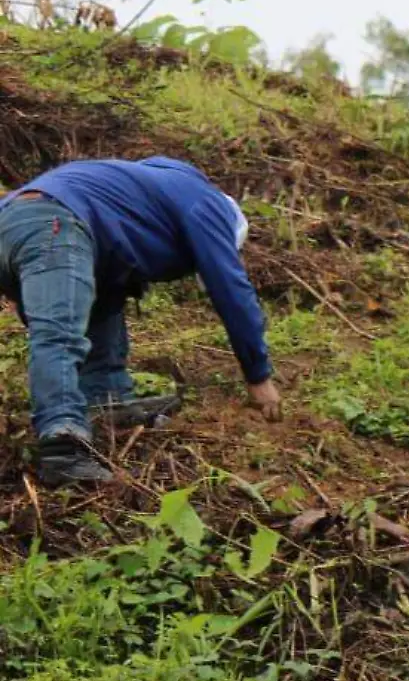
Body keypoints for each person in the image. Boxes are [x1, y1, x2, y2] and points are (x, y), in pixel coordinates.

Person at [0, 156, 282, 487]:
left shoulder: (145, 190)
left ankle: (106, 400)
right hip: (53, 225)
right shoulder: (207, 204)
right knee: (60, 336)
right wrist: (258, 374)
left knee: (103, 293)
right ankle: (62, 448)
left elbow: (107, 286)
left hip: (16, 220)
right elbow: (231, 289)